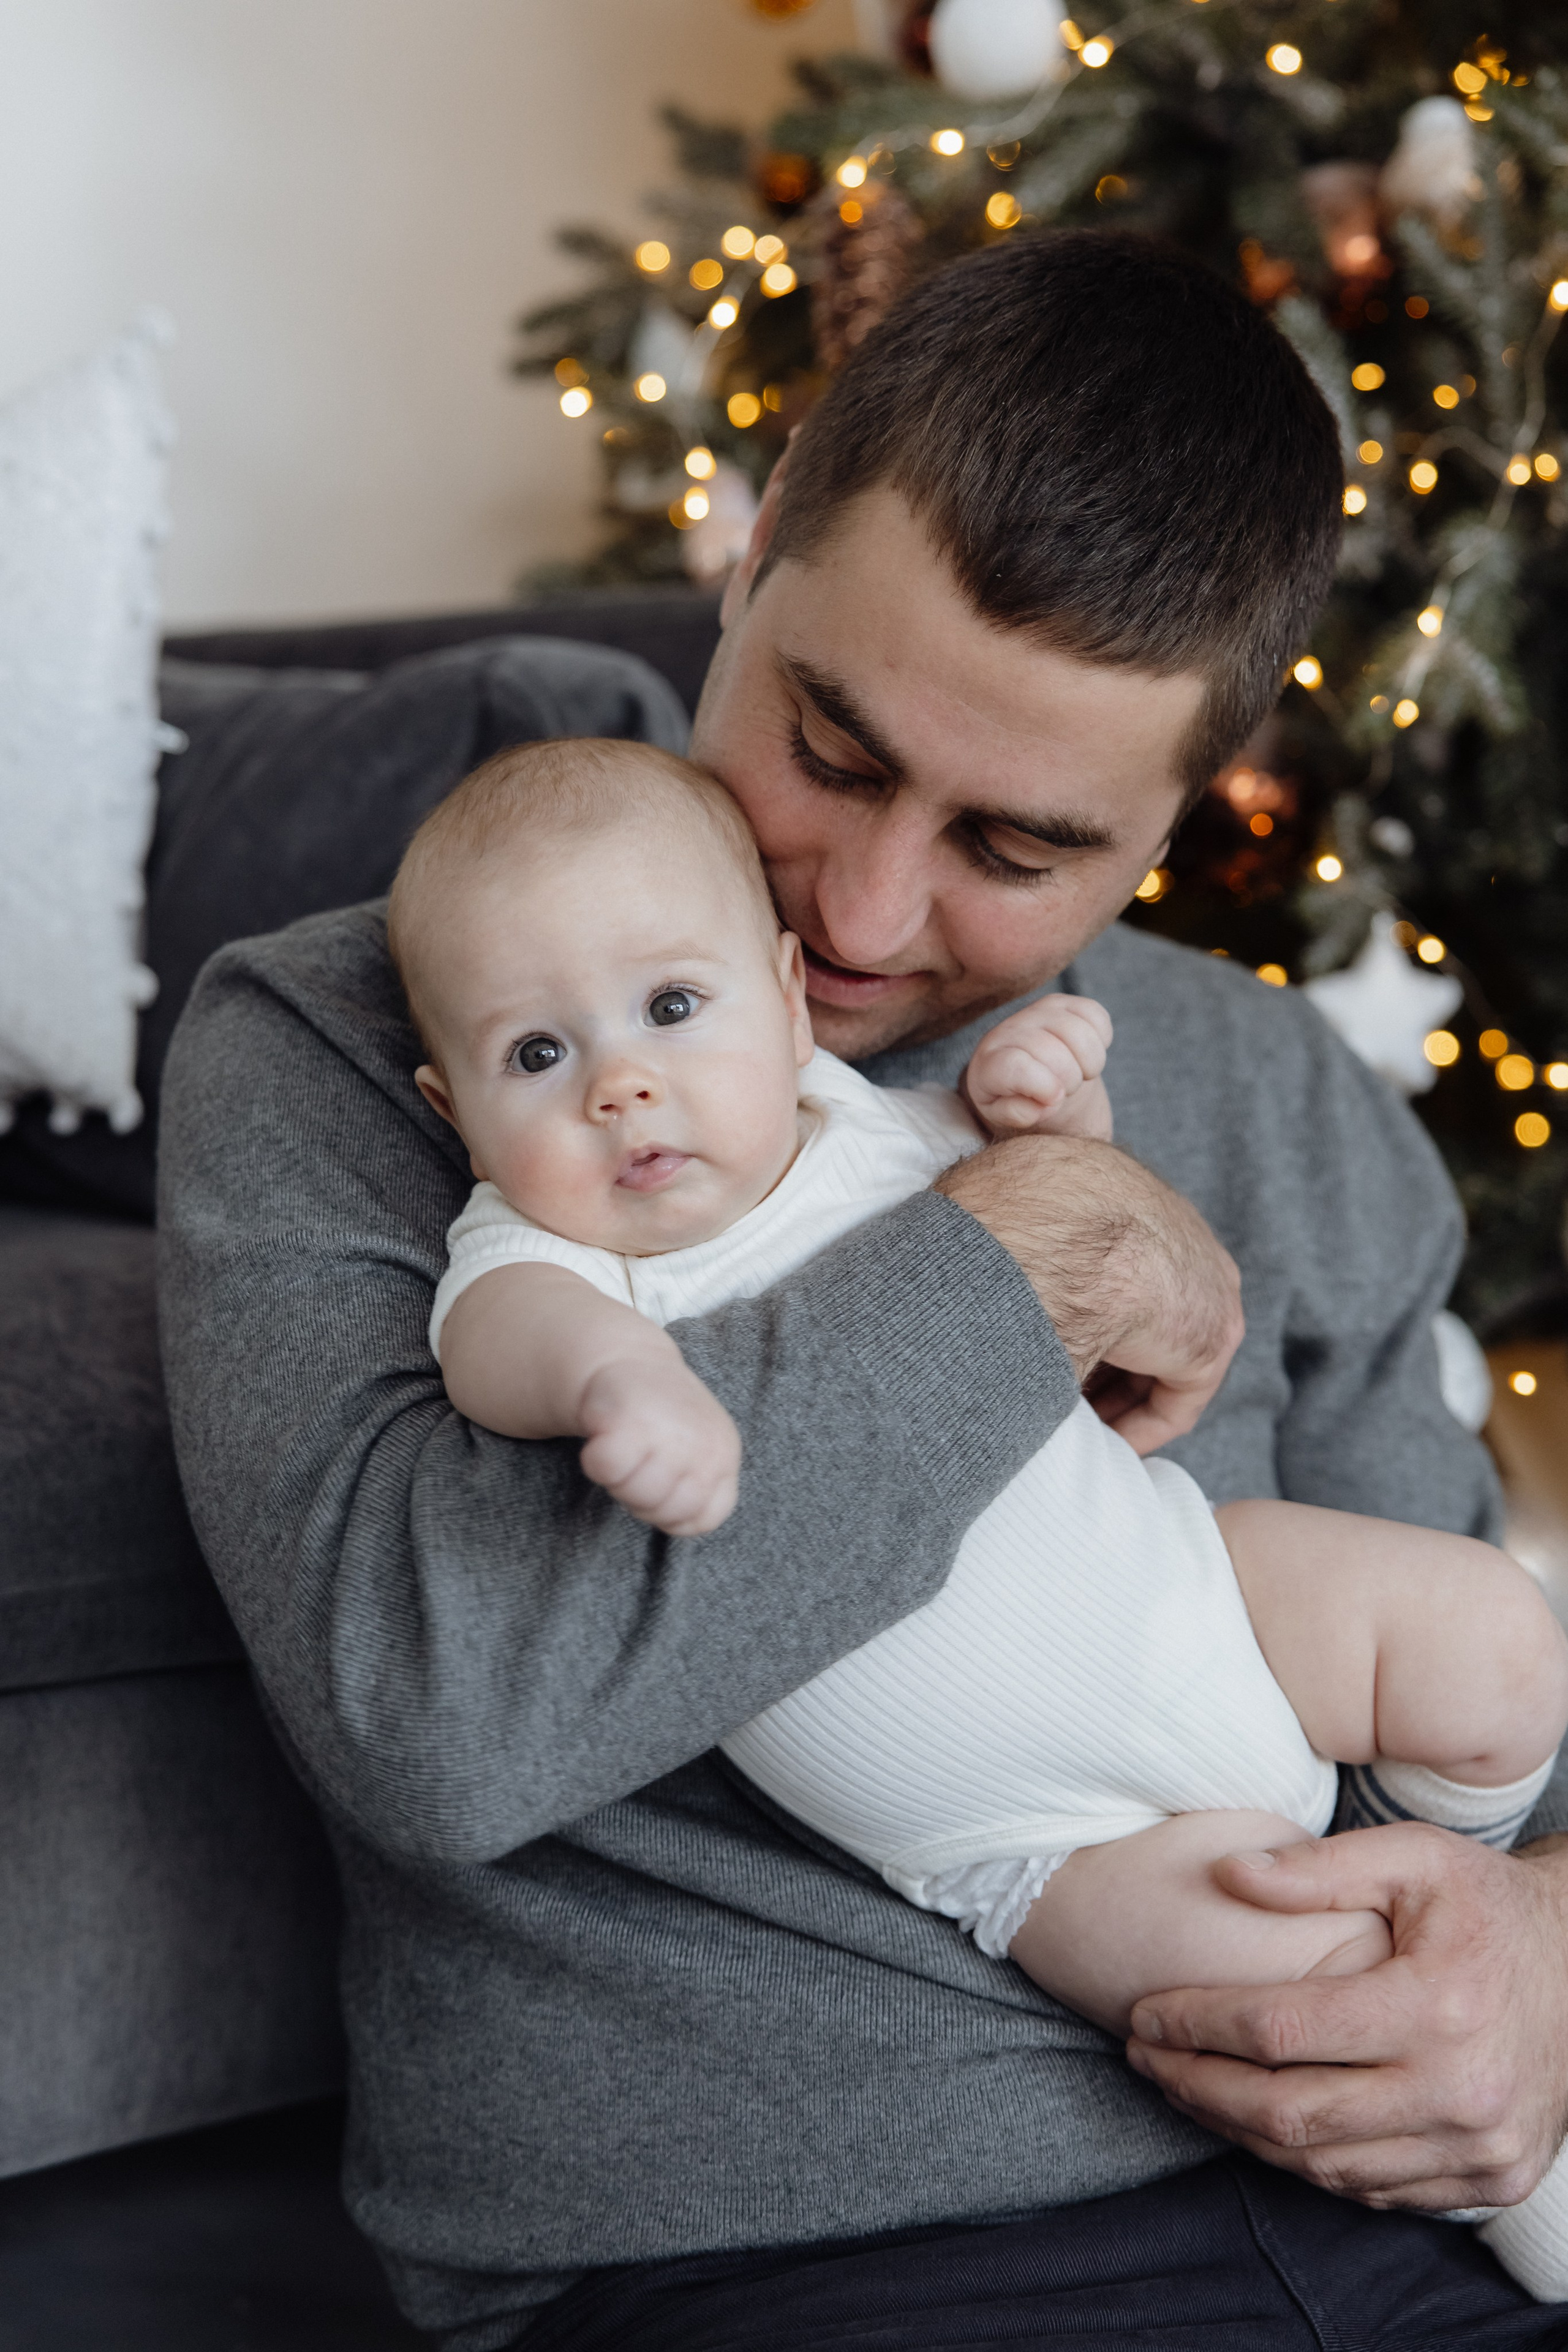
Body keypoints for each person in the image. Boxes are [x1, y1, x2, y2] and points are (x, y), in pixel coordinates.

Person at [157, 232, 1568, 2348]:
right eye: (828, 748)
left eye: (1017, 850)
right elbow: (433, 1720)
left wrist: (1540, 1959)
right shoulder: (368, 1048)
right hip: (805, 2262)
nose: (866, 915)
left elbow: (1503, 1748)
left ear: (1180, 822)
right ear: (749, 569)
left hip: (1415, 2221)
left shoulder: (1274, 1087)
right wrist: (1027, 1251)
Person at [388, 729, 1568, 2299]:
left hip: (1202, 1589)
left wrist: (1048, 1109)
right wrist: (617, 1386)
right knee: (1321, 2004)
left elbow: (1067, 1216)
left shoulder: (865, 1126)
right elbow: (496, 1344)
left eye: (671, 1008)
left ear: (784, 1002)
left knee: (1494, 1644)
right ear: (450, 1106)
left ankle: (1437, 1861)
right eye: (536, 1056)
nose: (621, 1084)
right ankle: (1530, 2202)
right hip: (1034, 1841)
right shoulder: (552, 1259)